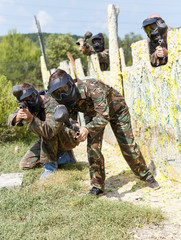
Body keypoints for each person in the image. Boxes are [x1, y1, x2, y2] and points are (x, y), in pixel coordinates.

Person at [48, 69, 160, 196]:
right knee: (93, 149)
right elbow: (69, 118)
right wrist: (76, 129)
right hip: (92, 115)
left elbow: (103, 116)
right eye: (58, 92)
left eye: (64, 89)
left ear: (70, 83)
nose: (62, 94)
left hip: (117, 110)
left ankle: (146, 176)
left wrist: (87, 129)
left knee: (127, 146)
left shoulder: (91, 87)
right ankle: (97, 186)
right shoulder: (65, 100)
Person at [8, 83, 79, 179]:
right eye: (25, 101)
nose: (28, 101)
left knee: (47, 132)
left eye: (30, 98)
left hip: (67, 136)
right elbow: (11, 117)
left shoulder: (51, 102)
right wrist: (17, 117)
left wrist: (31, 119)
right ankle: (63, 156)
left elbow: (50, 131)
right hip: (46, 138)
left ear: (34, 94)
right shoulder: (28, 105)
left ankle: (50, 167)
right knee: (25, 165)